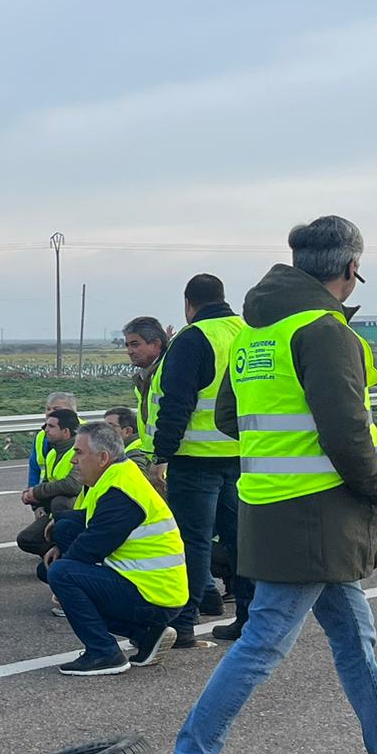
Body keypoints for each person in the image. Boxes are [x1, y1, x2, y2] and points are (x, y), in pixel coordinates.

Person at [167, 216, 377, 754]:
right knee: (265, 640)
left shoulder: (252, 333)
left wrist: (277, 452)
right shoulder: (324, 331)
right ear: (350, 271)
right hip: (318, 516)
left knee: (354, 636)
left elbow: (227, 420)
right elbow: (347, 431)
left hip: (271, 506)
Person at [41, 421, 186, 675]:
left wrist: (61, 584)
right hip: (150, 587)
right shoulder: (118, 474)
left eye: (79, 453)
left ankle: (104, 653)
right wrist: (59, 528)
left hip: (155, 595)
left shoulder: (120, 492)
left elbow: (90, 548)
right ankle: (146, 634)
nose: (73, 460)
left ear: (103, 457)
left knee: (62, 575)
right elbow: (90, 521)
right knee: (65, 530)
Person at [149, 274, 246, 646]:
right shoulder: (247, 330)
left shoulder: (193, 338)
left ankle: (184, 624)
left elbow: (177, 402)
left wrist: (162, 455)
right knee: (241, 539)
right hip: (241, 455)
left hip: (195, 459)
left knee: (192, 541)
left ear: (188, 304)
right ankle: (248, 617)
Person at [16, 409, 81, 556]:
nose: (45, 430)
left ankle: (70, 553)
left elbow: (73, 485)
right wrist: (36, 501)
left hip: (76, 510)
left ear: (66, 431)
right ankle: (58, 553)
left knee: (60, 501)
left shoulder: (80, 451)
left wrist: (37, 492)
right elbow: (47, 481)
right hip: (53, 509)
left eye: (51, 426)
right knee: (26, 539)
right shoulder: (52, 453)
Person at [122, 316, 168, 454]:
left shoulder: (168, 372)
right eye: (128, 345)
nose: (129, 351)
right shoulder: (145, 376)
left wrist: (162, 458)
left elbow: (173, 418)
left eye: (135, 344)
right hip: (154, 457)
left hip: (169, 459)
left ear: (156, 344)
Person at [27, 392, 79, 486]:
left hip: (68, 493)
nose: (50, 412)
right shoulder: (41, 435)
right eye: (48, 409)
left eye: (56, 409)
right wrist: (32, 491)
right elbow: (34, 468)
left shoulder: (85, 433)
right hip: (47, 491)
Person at [103, 407, 155, 471]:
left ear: (127, 431)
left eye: (110, 427)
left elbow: (138, 477)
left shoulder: (136, 452)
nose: (104, 431)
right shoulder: (125, 449)